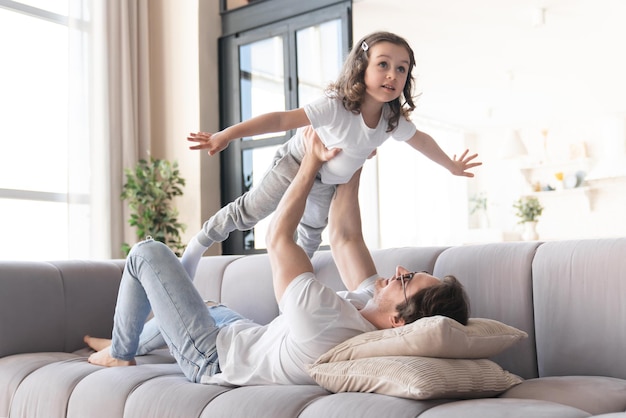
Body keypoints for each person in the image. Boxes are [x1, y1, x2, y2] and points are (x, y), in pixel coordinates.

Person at [85, 127, 470, 387]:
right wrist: (354, 162)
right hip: (243, 334)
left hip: (211, 358)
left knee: (147, 252)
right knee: (207, 304)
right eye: (410, 271)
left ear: (399, 321)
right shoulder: (369, 310)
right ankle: (128, 340)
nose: (400, 270)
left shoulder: (329, 323)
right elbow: (347, 238)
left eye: (406, 280)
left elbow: (279, 237)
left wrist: (311, 164)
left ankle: (121, 353)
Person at [181, 31, 482, 279]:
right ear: (361, 67)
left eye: (401, 69)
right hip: (297, 162)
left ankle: (295, 282)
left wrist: (451, 165)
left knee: (312, 233)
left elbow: (421, 141)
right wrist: (226, 135)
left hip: (327, 181)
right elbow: (281, 120)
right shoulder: (336, 104)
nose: (392, 74)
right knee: (252, 211)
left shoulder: (392, 118)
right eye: (383, 64)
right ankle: (199, 243)